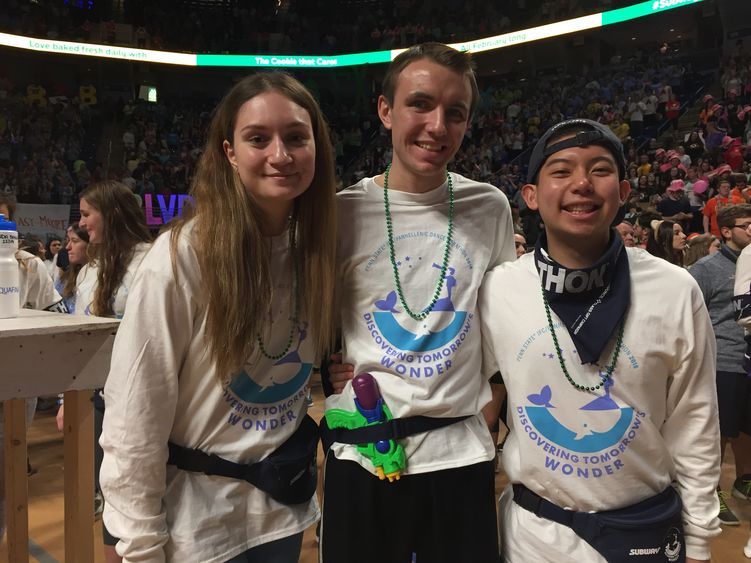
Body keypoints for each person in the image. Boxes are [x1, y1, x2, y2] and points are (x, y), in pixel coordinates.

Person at [99, 72, 337, 562]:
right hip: (198, 527)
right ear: (229, 153)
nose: (280, 155)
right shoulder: (183, 255)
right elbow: (134, 413)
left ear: (317, 146)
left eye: (296, 137)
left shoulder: (318, 251)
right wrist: (139, 542)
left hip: (282, 512)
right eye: (258, 139)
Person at [479, 118, 720, 562]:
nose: (582, 183)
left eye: (600, 169)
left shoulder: (674, 289)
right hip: (535, 535)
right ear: (531, 196)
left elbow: (695, 420)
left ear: (624, 191)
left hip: (643, 531)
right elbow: (465, 385)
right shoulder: (498, 290)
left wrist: (701, 538)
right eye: (561, 170)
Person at [321, 42, 515, 563]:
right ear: (385, 110)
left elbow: (499, 323)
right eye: (420, 104)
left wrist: (490, 412)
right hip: (363, 456)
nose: (437, 126)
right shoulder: (341, 213)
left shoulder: (489, 206)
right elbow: (312, 321)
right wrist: (329, 369)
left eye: (455, 113)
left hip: (461, 455)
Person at [67, 180, 152, 562]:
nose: (82, 224)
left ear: (113, 213)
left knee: (152, 501)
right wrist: (71, 397)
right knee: (112, 499)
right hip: (103, 404)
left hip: (152, 403)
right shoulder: (88, 273)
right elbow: (82, 344)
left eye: (86, 214)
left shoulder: (153, 261)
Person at [691, 203, 751, 527]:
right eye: (747, 226)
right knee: (720, 433)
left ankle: (745, 481)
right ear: (726, 231)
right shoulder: (707, 267)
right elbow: (686, 312)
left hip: (749, 358)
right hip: (723, 360)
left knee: (746, 428)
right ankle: (712, 492)